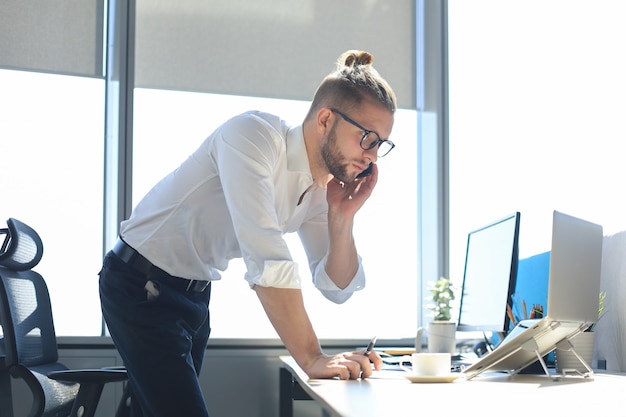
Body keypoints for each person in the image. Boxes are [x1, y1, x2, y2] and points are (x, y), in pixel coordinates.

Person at [99, 49, 397, 416]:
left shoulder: (319, 192)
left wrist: (342, 216)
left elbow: (336, 287)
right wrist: (312, 357)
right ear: (324, 119)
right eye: (368, 137)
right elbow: (267, 259)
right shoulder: (253, 136)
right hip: (139, 282)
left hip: (193, 295)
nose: (373, 155)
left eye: (382, 144)